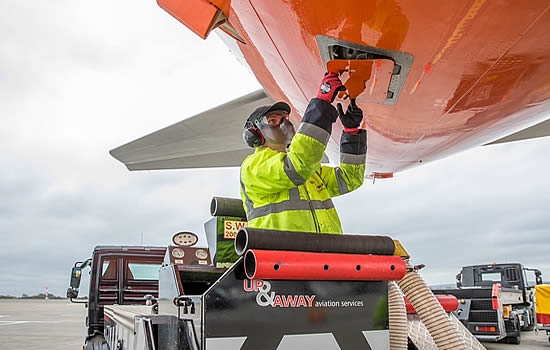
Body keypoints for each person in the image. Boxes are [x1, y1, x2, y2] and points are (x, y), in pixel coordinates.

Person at [240, 73, 366, 234]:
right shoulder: (253, 167)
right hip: (282, 256)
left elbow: (350, 179)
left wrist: (352, 132)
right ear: (255, 135)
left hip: (326, 254)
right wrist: (322, 104)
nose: (284, 123)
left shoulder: (310, 171)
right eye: (273, 120)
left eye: (285, 118)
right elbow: (297, 165)